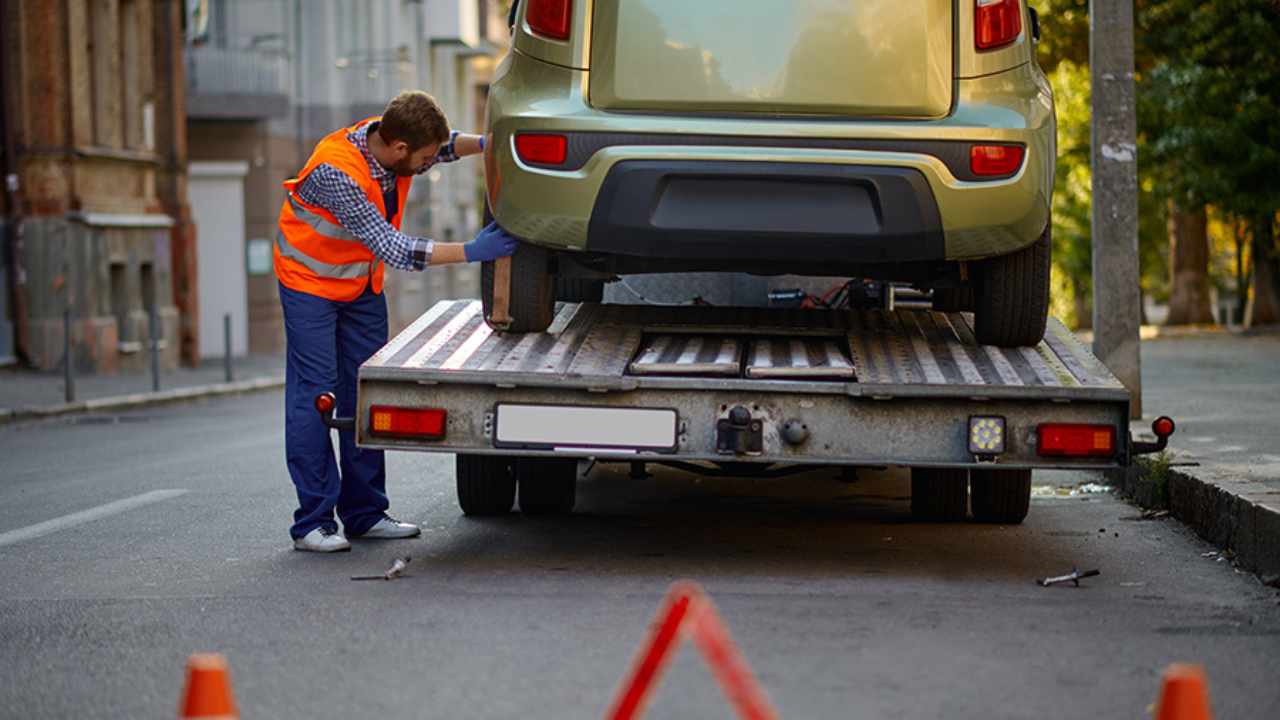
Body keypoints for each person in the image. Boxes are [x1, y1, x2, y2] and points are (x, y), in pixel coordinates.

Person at [275, 90, 518, 552]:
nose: (430, 164)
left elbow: (442, 148)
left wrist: (489, 143)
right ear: (399, 149)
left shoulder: (389, 139)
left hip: (360, 286)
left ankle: (365, 514)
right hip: (310, 285)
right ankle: (312, 523)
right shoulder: (336, 173)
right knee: (318, 397)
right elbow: (395, 248)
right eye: (423, 158)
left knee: (365, 393)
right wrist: (472, 251)